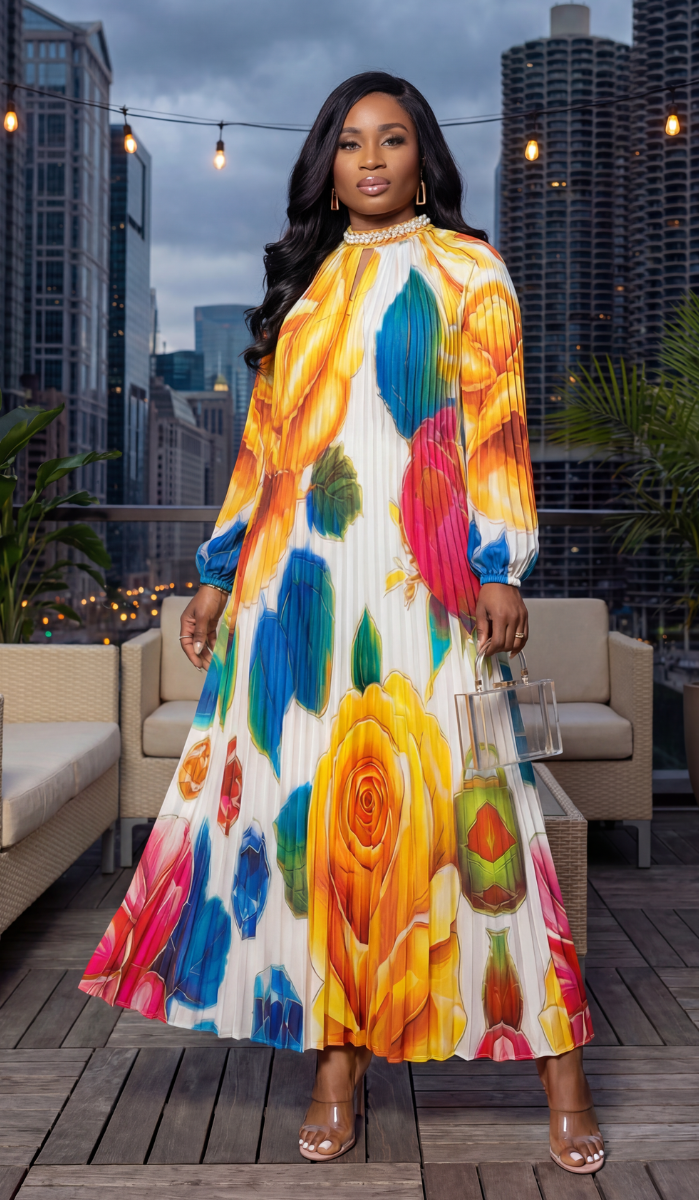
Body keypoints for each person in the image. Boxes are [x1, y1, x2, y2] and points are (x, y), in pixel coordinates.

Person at [79, 71, 604, 1176]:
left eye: (393, 140)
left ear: (422, 158)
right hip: (298, 598)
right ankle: (337, 1069)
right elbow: (264, 452)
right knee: (324, 831)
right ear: (326, 161)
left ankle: (560, 1066)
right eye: (351, 143)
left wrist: (500, 566)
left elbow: (494, 431)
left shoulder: (471, 273)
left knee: (476, 817)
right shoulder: (303, 289)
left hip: (424, 586)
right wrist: (218, 576)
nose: (370, 160)